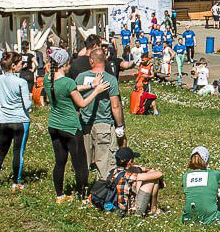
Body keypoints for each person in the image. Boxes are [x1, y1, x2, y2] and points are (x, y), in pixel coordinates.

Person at [46, 47, 110, 205]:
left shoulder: (48, 79)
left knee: (60, 162)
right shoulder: (67, 82)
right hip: (70, 128)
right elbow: (81, 103)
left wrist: (91, 86)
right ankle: (83, 196)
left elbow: (72, 90)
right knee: (80, 164)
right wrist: (97, 90)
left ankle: (59, 195)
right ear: (65, 63)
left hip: (54, 125)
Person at [0, 52, 33, 191]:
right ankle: (16, 182)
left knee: (1, 150)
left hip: (4, 120)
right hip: (20, 120)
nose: (22, 66)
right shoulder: (21, 82)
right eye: (20, 64)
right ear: (13, 66)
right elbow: (27, 105)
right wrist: (29, 100)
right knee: (18, 152)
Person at [77, 48, 124, 181]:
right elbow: (115, 106)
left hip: (84, 124)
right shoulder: (110, 79)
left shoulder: (81, 77)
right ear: (104, 61)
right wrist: (119, 125)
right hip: (103, 124)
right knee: (104, 162)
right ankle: (102, 192)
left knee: (83, 160)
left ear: (91, 61)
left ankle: (82, 189)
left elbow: (73, 95)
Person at [108, 147, 164, 217]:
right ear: (130, 161)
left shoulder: (115, 171)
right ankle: (153, 209)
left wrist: (137, 167)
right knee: (152, 180)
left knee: (148, 175)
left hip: (118, 207)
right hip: (130, 211)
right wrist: (161, 179)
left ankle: (153, 208)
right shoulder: (128, 175)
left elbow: (143, 169)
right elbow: (159, 174)